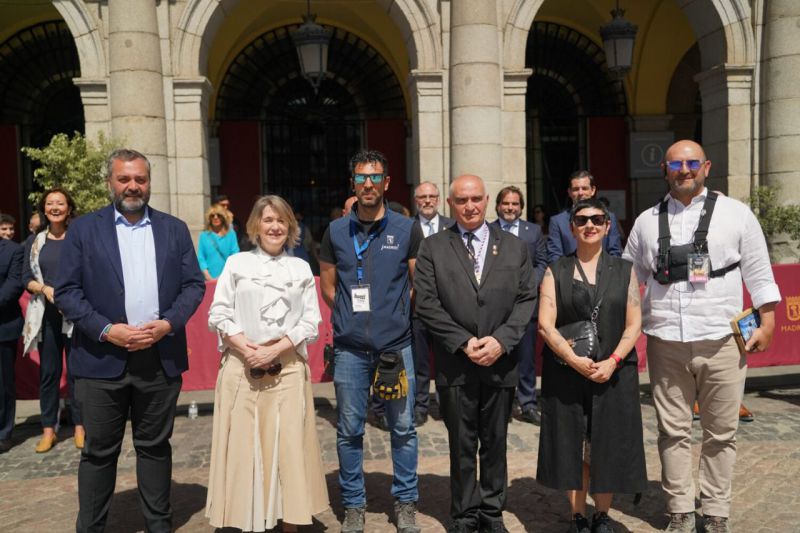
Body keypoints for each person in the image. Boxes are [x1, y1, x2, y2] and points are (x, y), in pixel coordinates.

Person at [623, 140, 781, 533]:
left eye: (692, 162)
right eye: (677, 164)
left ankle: (714, 511)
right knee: (671, 430)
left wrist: (768, 321)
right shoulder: (645, 221)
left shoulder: (737, 215)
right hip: (665, 341)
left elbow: (760, 273)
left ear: (706, 167)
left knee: (721, 432)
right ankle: (679, 509)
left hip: (722, 339)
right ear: (665, 169)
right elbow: (628, 281)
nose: (685, 169)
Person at [56, 148, 205, 532]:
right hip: (100, 359)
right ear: (111, 182)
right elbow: (67, 292)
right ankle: (91, 527)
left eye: (140, 178)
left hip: (159, 357)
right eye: (124, 179)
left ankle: (159, 525)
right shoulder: (85, 230)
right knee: (99, 452)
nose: (133, 186)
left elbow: (193, 285)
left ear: (149, 182)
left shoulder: (173, 228)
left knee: (155, 448)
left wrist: (168, 324)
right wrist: (107, 329)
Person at [414, 174, 537, 533]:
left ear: (487, 201)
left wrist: (501, 340)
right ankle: (465, 513)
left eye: (476, 199)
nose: (469, 206)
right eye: (461, 200)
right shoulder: (434, 246)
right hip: (456, 363)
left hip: (501, 361)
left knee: (496, 441)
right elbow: (427, 302)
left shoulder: (514, 247)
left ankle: (491, 511)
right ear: (450, 204)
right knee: (462, 442)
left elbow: (526, 298)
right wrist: (463, 341)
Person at [206, 195, 329, 532]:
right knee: (245, 450)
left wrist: (273, 351)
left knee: (289, 449)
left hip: (287, 369)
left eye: (281, 221)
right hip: (241, 367)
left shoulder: (301, 267)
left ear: (290, 226)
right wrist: (247, 348)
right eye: (268, 220)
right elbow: (218, 313)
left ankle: (290, 523)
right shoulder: (236, 263)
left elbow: (309, 322)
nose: (275, 226)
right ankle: (248, 521)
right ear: (255, 226)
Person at [319, 150, 422, 533]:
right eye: (361, 178)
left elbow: (416, 284)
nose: (368, 184)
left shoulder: (405, 229)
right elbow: (330, 288)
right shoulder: (334, 232)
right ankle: (354, 506)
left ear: (386, 183)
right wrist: (354, 315)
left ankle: (406, 502)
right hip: (349, 351)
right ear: (353, 184)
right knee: (349, 430)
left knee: (404, 428)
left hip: (396, 347)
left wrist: (389, 314)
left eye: (375, 178)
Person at [536, 198, 646, 533]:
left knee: (607, 443)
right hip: (568, 373)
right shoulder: (557, 269)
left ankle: (601, 515)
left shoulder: (624, 270)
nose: (590, 226)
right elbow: (545, 324)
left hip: (613, 373)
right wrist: (574, 361)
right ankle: (578, 516)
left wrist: (613, 362)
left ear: (608, 225)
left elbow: (634, 323)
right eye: (582, 220)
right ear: (571, 227)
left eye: (597, 219)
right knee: (572, 444)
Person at [22, 188, 80, 452]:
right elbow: (26, 278)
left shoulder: (79, 238)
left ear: (69, 208)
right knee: (49, 373)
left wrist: (68, 297)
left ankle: (81, 426)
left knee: (79, 373)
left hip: (76, 314)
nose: (55, 207)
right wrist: (46, 290)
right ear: (44, 209)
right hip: (46, 315)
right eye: (49, 203)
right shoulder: (34, 242)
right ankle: (49, 429)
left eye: (60, 203)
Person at [490, 186, 548, 425]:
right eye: (506, 203)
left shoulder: (533, 231)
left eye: (515, 204)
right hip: (496, 307)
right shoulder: (487, 230)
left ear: (521, 207)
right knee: (499, 356)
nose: (510, 208)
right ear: (498, 206)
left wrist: (527, 285)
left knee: (526, 358)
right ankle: (499, 405)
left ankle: (527, 403)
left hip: (526, 305)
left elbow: (542, 262)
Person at [411, 181, 454, 425]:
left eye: (432, 196)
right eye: (422, 197)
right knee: (420, 361)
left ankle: (446, 405)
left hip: (448, 307)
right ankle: (420, 406)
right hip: (417, 306)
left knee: (446, 360)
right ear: (416, 200)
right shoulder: (408, 228)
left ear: (438, 200)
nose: (427, 201)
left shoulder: (451, 226)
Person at [548, 171, 622, 263]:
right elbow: (554, 257)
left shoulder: (609, 217)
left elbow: (615, 252)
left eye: (584, 188)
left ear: (593, 190)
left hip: (604, 274)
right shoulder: (558, 222)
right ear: (569, 192)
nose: (580, 193)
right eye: (576, 189)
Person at [0, 233, 24, 453]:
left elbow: (14, 285)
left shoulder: (13, 250)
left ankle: (3, 432)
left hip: (3, 326)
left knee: (3, 383)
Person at [198, 203, 240, 280]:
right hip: (209, 278)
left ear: (223, 217)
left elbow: (235, 254)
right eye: (212, 216)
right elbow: (201, 258)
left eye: (219, 215)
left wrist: (227, 275)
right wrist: (208, 277)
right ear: (209, 218)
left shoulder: (231, 234)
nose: (215, 218)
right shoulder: (204, 236)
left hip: (228, 277)